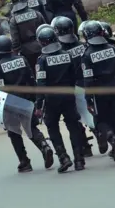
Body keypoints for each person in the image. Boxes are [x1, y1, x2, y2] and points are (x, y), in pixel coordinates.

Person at [0, 35, 54, 172]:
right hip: (27, 99)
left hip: (10, 103)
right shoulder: (22, 59)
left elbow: (0, 90)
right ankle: (44, 145)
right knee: (31, 128)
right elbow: (31, 79)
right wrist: (35, 100)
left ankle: (24, 161)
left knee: (14, 133)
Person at [51, 16, 108, 156]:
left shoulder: (60, 52)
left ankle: (85, 146)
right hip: (91, 84)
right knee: (92, 114)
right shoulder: (83, 45)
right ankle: (102, 134)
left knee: (75, 118)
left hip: (74, 87)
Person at [35, 27, 85, 172]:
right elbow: (73, 77)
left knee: (52, 127)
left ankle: (63, 157)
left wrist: (39, 105)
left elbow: (41, 84)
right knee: (73, 126)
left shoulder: (42, 60)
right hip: (68, 96)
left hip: (51, 100)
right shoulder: (67, 55)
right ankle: (79, 160)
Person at [81, 21, 115, 163]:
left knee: (100, 120)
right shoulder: (112, 49)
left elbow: (88, 79)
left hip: (99, 94)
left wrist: (88, 99)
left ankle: (113, 139)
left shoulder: (87, 55)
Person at [9, 0, 46, 69]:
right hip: (41, 48)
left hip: (26, 52)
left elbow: (15, 41)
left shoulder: (14, 20)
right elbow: (45, 29)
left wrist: (17, 55)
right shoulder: (37, 14)